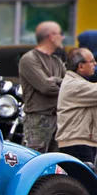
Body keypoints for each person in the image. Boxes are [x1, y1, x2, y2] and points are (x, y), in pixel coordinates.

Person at [18, 21, 66, 153]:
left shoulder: (57, 61)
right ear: (50, 36)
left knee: (55, 161)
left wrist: (55, 80)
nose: (62, 38)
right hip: (38, 119)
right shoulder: (29, 59)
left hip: (58, 118)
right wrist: (60, 84)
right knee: (35, 157)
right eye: (60, 34)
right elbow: (46, 87)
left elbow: (69, 85)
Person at [56, 48, 97, 164]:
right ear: (81, 66)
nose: (95, 64)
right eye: (92, 61)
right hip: (76, 145)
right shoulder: (74, 85)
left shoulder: (78, 82)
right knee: (82, 181)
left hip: (80, 143)